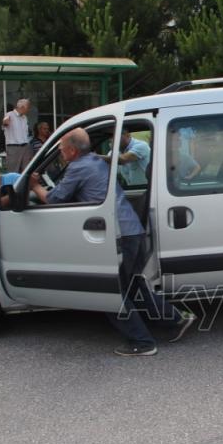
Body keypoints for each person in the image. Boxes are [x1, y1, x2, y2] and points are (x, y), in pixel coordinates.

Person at [29, 128, 194, 356]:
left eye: (60, 148)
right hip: (131, 230)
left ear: (72, 150)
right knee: (135, 285)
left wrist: (34, 186)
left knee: (111, 293)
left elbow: (55, 198)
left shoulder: (78, 168)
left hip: (118, 235)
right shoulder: (97, 162)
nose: (59, 151)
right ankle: (174, 320)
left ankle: (142, 342)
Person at [2, 98, 33, 173]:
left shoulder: (25, 117)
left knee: (26, 171)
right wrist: (5, 123)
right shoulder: (9, 114)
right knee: (13, 171)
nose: (28, 110)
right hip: (14, 147)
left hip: (25, 146)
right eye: (28, 108)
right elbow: (4, 124)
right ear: (22, 107)